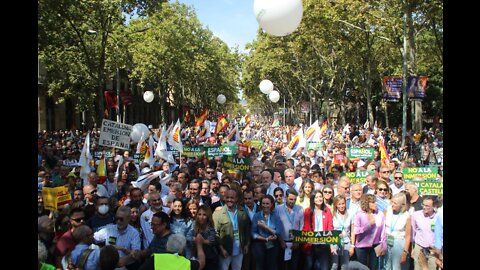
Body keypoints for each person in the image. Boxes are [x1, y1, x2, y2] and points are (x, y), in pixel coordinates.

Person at [213, 188, 251, 270]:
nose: (229, 200)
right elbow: (215, 233)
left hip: (239, 248)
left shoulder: (242, 211)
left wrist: (247, 244)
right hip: (225, 249)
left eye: (232, 198)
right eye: (227, 197)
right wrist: (221, 249)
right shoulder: (218, 213)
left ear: (236, 198)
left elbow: (247, 229)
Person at [353, 194, 387, 270]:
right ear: (367, 203)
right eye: (373, 202)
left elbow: (383, 231)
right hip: (362, 246)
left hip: (375, 245)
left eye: (375, 202)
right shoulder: (359, 215)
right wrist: (367, 226)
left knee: (373, 267)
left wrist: (383, 245)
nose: (375, 204)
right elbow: (356, 230)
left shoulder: (379, 214)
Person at [302, 190, 333, 270]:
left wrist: (332, 244)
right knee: (309, 265)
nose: (319, 199)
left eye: (320, 197)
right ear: (313, 199)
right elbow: (305, 227)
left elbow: (330, 227)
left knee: (324, 268)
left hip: (323, 244)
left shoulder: (327, 210)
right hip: (311, 244)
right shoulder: (307, 211)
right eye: (316, 197)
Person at [137, 233, 206, 270]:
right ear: (182, 250)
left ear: (167, 246)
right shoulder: (187, 263)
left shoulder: (155, 259)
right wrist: (199, 245)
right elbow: (202, 263)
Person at [251, 195, 283, 270]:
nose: (265, 206)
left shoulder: (276, 216)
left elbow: (278, 231)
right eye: (263, 203)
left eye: (267, 203)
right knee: (260, 266)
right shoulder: (257, 216)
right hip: (259, 244)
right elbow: (253, 233)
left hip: (273, 244)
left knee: (272, 265)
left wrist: (265, 227)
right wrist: (265, 239)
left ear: (271, 204)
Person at [384, 193, 411, 270]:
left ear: (402, 205)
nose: (392, 204)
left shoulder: (406, 215)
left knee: (396, 266)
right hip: (386, 240)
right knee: (387, 265)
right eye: (392, 202)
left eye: (395, 203)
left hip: (398, 242)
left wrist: (405, 252)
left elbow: (408, 235)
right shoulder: (387, 210)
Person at [331, 195, 353, 270]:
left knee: (345, 266)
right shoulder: (333, 214)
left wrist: (352, 246)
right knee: (334, 266)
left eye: (343, 203)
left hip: (346, 242)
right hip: (335, 242)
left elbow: (353, 231)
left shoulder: (350, 213)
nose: (341, 206)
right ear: (336, 205)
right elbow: (330, 229)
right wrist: (331, 246)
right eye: (339, 204)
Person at [194, 205, 219, 270]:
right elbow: (188, 237)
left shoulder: (210, 228)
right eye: (199, 214)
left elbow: (212, 240)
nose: (201, 217)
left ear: (208, 216)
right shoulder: (194, 226)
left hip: (211, 259)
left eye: (204, 215)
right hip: (197, 258)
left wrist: (202, 241)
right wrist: (196, 239)